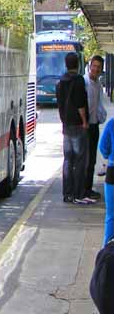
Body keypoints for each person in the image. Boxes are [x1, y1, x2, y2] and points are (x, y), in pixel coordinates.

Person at [56, 52, 95, 204]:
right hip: (78, 125)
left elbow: (60, 104)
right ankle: (79, 193)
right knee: (80, 160)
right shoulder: (78, 80)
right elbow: (80, 103)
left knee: (68, 160)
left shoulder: (61, 81)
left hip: (66, 125)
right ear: (78, 64)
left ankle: (67, 194)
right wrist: (85, 121)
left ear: (66, 64)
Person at [84, 55, 107, 200]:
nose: (96, 69)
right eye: (94, 66)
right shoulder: (84, 82)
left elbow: (98, 104)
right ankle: (82, 189)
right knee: (85, 159)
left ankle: (88, 188)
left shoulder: (98, 84)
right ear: (90, 66)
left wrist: (101, 116)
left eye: (99, 67)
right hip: (84, 126)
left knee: (92, 159)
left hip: (94, 125)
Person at [99, 116, 114, 245]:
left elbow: (103, 147)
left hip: (113, 172)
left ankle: (107, 250)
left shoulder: (112, 124)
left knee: (111, 216)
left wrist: (107, 155)